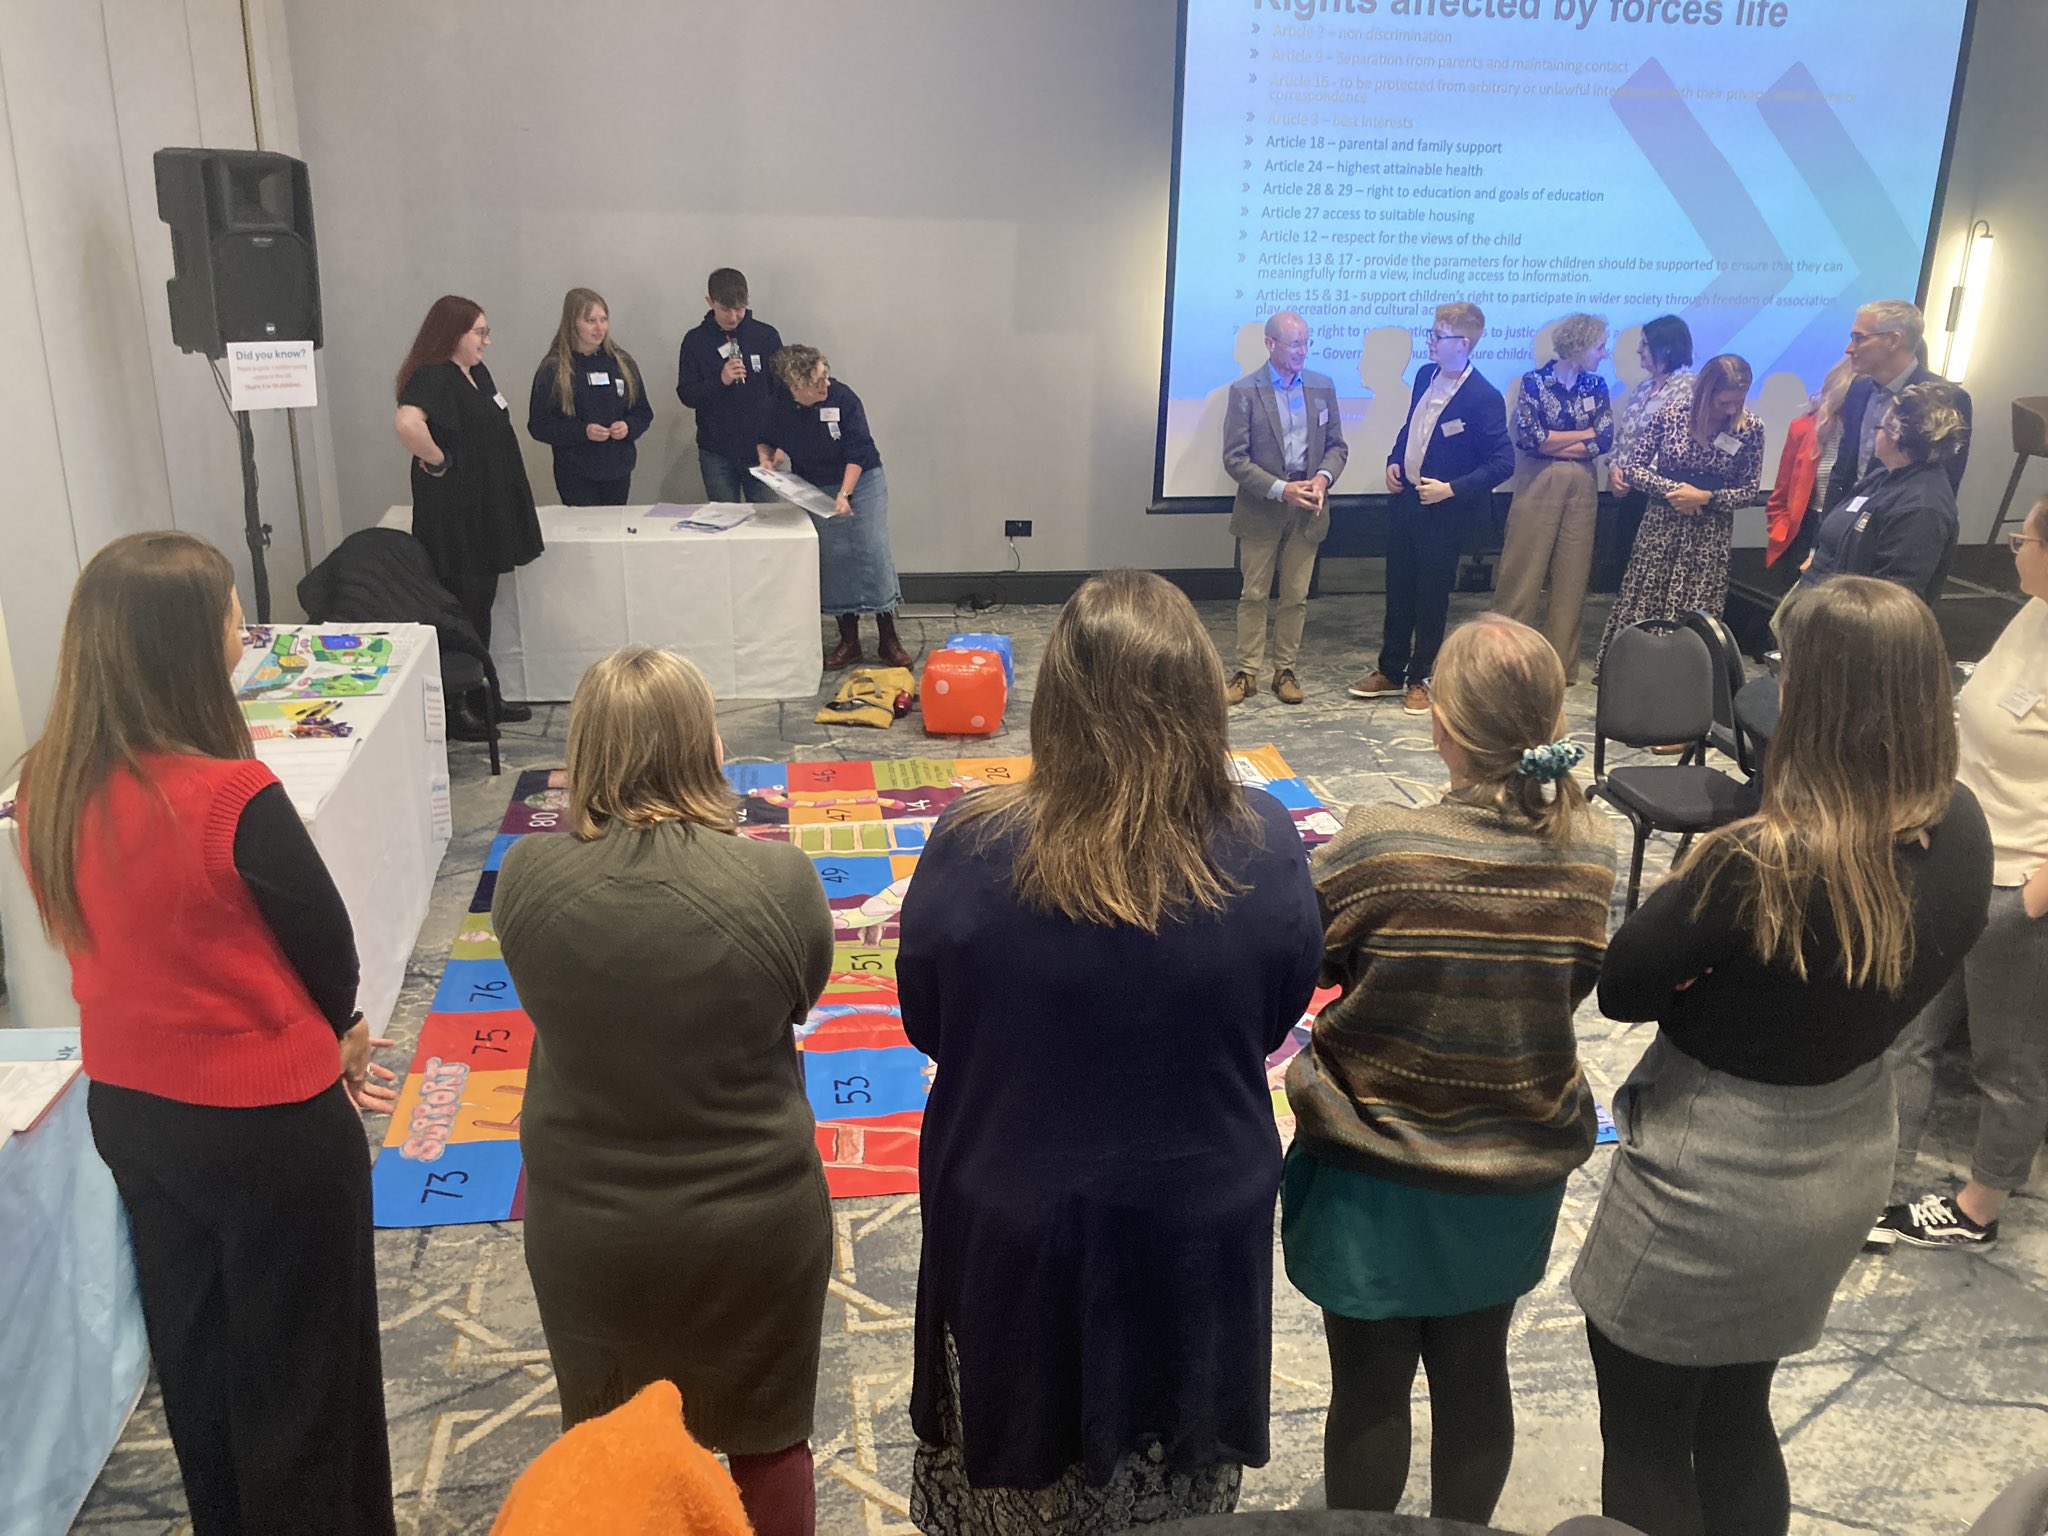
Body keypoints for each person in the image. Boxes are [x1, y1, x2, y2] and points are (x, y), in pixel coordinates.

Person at [899, 570, 1322, 1533]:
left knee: (1016, 1485)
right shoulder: (1263, 841)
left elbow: (928, 1020)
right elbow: (1277, 1013)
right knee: (1178, 1481)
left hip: (1012, 1219)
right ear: (1200, 697)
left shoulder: (969, 843)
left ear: (1056, 700)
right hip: (1196, 1219)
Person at [1572, 576, 1992, 1534]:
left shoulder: (1758, 857)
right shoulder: (1960, 820)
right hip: (1843, 1152)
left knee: (1643, 1441)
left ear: (1824, 699)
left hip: (1711, 1180)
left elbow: (1626, 988)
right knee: (1734, 1414)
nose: (1775, 683)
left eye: (1790, 668)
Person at [17, 531, 398, 1536]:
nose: (245, 630)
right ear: (193, 642)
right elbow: (326, 947)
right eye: (234, 613)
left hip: (135, 1113)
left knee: (201, 1363)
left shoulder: (46, 783)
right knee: (309, 1377)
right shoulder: (234, 796)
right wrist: (346, 1034)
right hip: (268, 1121)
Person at [494, 646, 833, 1536]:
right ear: (704, 742)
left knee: (610, 1457)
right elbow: (802, 997)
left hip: (587, 1232)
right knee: (769, 1439)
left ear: (586, 751)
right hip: (754, 1223)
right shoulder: (779, 880)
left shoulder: (524, 879)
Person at [1285, 615, 1616, 1521]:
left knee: (1369, 1388)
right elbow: (1576, 984)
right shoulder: (1590, 850)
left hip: (1374, 1173)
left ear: (1442, 725)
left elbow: (1300, 960)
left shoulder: (1379, 844)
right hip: (1513, 1171)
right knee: (1477, 1373)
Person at [1875, 495, 2048, 1250]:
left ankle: (1981, 1204)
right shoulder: (2032, 613)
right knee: (1909, 1031)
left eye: (2025, 536)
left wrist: (2031, 900)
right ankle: (1876, 1183)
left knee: (2007, 1060)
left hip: (2019, 887)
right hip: (1962, 856)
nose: (2014, 547)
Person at [1348, 303, 1513, 716]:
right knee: (1398, 588)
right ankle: (1390, 669)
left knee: (1431, 597)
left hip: (1444, 511)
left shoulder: (1483, 397)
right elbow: (1412, 429)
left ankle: (1422, 677)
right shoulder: (1425, 375)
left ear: (1464, 343)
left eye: (1438, 336)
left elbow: (1502, 462)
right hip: (1407, 503)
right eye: (1432, 333)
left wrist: (1452, 489)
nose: (1430, 342)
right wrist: (1393, 460)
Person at [392, 293, 541, 724]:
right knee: (463, 605)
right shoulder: (435, 375)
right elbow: (406, 422)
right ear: (452, 333)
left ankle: (482, 696)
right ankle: (458, 707)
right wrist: (438, 459)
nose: (486, 341)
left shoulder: (475, 373)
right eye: (480, 332)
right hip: (457, 516)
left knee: (481, 602)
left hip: (487, 509)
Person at [1595, 353, 1764, 680]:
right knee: (1645, 606)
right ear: (1705, 392)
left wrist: (1707, 497)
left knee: (1694, 614)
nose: (1731, 410)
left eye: (1738, 402)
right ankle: (1632, 680)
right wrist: (1677, 492)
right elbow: (1635, 469)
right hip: (1660, 530)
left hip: (1708, 539)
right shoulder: (1671, 415)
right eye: (1724, 402)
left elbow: (1748, 490)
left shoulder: (1750, 429)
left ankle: (1684, 689)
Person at [1222, 311, 1349, 705]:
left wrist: (1323, 479)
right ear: (1270, 344)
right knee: (1254, 594)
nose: (1302, 351)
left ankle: (1284, 670)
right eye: (1295, 343)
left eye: (1306, 342)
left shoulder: (1321, 387)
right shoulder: (1245, 391)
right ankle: (1247, 672)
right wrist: (1282, 490)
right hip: (1263, 507)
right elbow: (1235, 459)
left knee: (1295, 596)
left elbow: (1337, 447)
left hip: (1309, 506)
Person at [757, 345, 910, 670]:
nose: (825, 385)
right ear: (796, 388)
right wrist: (768, 457)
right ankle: (849, 641)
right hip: (815, 485)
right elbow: (765, 437)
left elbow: (858, 452)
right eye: (817, 383)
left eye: (825, 375)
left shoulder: (844, 399)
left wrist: (845, 493)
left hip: (862, 480)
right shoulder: (780, 404)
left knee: (872, 550)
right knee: (835, 558)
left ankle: (888, 638)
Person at [1494, 314, 1614, 685]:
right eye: (1599, 346)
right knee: (1523, 572)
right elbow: (1531, 438)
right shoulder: (1534, 382)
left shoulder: (1597, 384)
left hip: (1582, 484)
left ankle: (1560, 668)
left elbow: (1605, 438)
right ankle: (1503, 659)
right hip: (1538, 481)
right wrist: (1582, 434)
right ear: (1578, 346)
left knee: (1572, 577)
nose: (1604, 353)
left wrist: (1557, 439)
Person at [1795, 380, 1968, 604]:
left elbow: (1892, 599)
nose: (1874, 434)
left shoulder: (1922, 508)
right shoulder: (1885, 476)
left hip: (1847, 625)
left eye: (1880, 427)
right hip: (1821, 602)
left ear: (1895, 437)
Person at [1818, 300, 1973, 527]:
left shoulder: (1945, 398)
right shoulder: (1858, 389)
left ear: (1893, 340)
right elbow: (1843, 471)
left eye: (1859, 338)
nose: (1849, 349)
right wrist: (1822, 540)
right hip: (1847, 528)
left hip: (1900, 531)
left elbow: (1945, 482)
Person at [525, 287, 653, 506]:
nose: (599, 328)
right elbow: (539, 425)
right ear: (572, 322)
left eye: (603, 319)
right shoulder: (555, 368)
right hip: (576, 473)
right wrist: (583, 431)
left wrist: (628, 427)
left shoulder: (622, 362)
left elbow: (643, 412)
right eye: (590, 320)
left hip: (618, 471)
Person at [1601, 315, 1694, 589]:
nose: (1638, 350)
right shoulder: (1643, 388)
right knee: (1626, 566)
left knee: (1651, 574)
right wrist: (1616, 468)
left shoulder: (1689, 388)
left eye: (1644, 344)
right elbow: (1625, 436)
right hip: (1631, 493)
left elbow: (1678, 444)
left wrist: (1636, 475)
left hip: (1661, 496)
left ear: (1665, 348)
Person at [677, 267, 783, 504]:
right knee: (724, 523)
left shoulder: (766, 337)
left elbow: (782, 393)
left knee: (767, 522)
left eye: (739, 308)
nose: (733, 317)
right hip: (717, 452)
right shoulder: (695, 341)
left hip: (760, 450)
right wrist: (720, 381)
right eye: (726, 309)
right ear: (710, 301)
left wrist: (778, 443)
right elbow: (687, 394)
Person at [1764, 359, 1855, 569]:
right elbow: (1781, 494)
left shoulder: (1870, 438)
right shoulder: (1804, 428)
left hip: (1848, 534)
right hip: (1804, 532)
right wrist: (1781, 530)